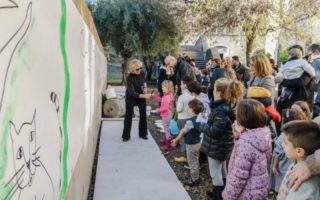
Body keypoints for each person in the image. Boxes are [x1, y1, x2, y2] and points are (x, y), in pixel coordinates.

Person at [197, 78, 244, 199]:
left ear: (218, 92)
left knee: (215, 173)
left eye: (214, 89)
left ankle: (218, 195)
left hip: (216, 147)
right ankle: (224, 191)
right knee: (222, 169)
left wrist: (202, 125)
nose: (212, 91)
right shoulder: (225, 107)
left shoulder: (220, 111)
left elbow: (214, 132)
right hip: (223, 145)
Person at [222, 99, 272, 200]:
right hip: (258, 190)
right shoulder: (263, 135)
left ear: (244, 119)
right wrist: (239, 137)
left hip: (246, 194)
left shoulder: (245, 145)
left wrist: (227, 196)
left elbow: (238, 178)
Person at [270, 105, 309, 194]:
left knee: (283, 181)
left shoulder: (283, 137)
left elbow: (278, 153)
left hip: (283, 166)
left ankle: (279, 192)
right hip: (293, 165)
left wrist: (275, 165)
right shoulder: (303, 134)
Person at [277, 121, 320, 200]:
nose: (282, 145)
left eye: (286, 143)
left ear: (299, 152)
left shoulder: (304, 184)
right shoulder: (296, 164)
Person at [171, 99, 204, 186]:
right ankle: (195, 176)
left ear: (192, 110)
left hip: (191, 145)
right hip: (198, 143)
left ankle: (194, 180)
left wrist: (176, 139)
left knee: (192, 162)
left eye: (188, 108)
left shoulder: (190, 122)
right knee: (195, 160)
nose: (187, 110)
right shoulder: (201, 118)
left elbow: (182, 132)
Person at [122, 59, 151, 142]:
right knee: (129, 115)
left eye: (140, 68)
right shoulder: (129, 78)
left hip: (141, 94)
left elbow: (144, 81)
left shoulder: (141, 73)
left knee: (143, 114)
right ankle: (126, 136)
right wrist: (145, 95)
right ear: (132, 69)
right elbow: (132, 93)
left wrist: (145, 88)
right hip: (131, 96)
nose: (139, 70)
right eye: (137, 69)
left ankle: (143, 134)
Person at [174, 76, 195, 162]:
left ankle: (184, 156)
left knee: (182, 137)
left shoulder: (182, 97)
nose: (180, 85)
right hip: (191, 118)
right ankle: (190, 155)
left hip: (182, 119)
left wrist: (176, 104)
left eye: (181, 84)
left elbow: (179, 109)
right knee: (189, 137)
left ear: (185, 85)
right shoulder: (193, 95)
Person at [152, 80, 175, 151]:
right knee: (167, 128)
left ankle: (168, 144)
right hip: (168, 114)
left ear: (169, 88)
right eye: (162, 86)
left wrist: (157, 110)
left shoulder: (167, 97)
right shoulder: (168, 95)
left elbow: (165, 108)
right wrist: (155, 96)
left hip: (166, 115)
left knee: (166, 129)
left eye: (164, 87)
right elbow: (162, 100)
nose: (162, 88)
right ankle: (166, 140)